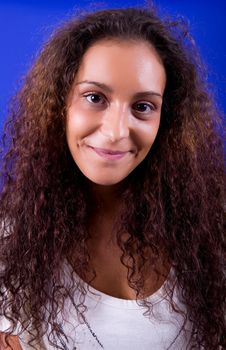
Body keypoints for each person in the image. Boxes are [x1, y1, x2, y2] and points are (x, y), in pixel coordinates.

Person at [0, 4, 225, 350]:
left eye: (143, 106)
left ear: (167, 118)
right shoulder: (11, 243)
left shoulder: (214, 231)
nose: (118, 131)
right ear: (60, 104)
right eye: (95, 98)